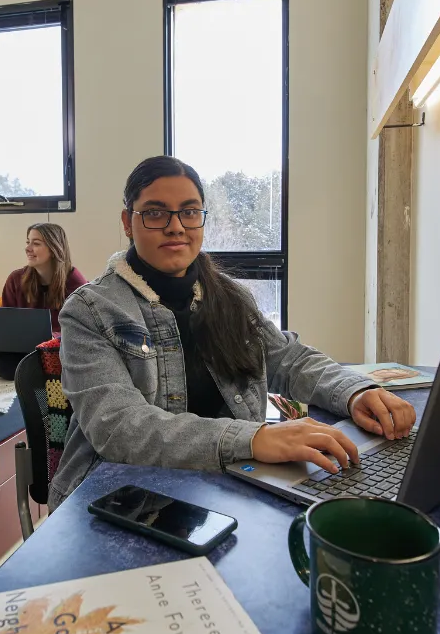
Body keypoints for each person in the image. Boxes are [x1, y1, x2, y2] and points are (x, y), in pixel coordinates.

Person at [48, 156, 416, 508]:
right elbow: (120, 429)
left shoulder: (228, 295)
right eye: (156, 212)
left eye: (190, 212)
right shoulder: (89, 311)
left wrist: (354, 391)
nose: (176, 226)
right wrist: (254, 439)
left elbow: (288, 359)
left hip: (231, 484)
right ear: (129, 222)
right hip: (120, 495)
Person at [0, 223, 88, 380]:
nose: (28, 248)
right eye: (28, 242)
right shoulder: (16, 279)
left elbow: (82, 330)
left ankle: (33, 373)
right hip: (25, 349)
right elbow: (7, 322)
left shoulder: (75, 281)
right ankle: (39, 373)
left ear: (54, 248)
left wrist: (54, 337)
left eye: (36, 243)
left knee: (74, 357)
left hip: (59, 349)